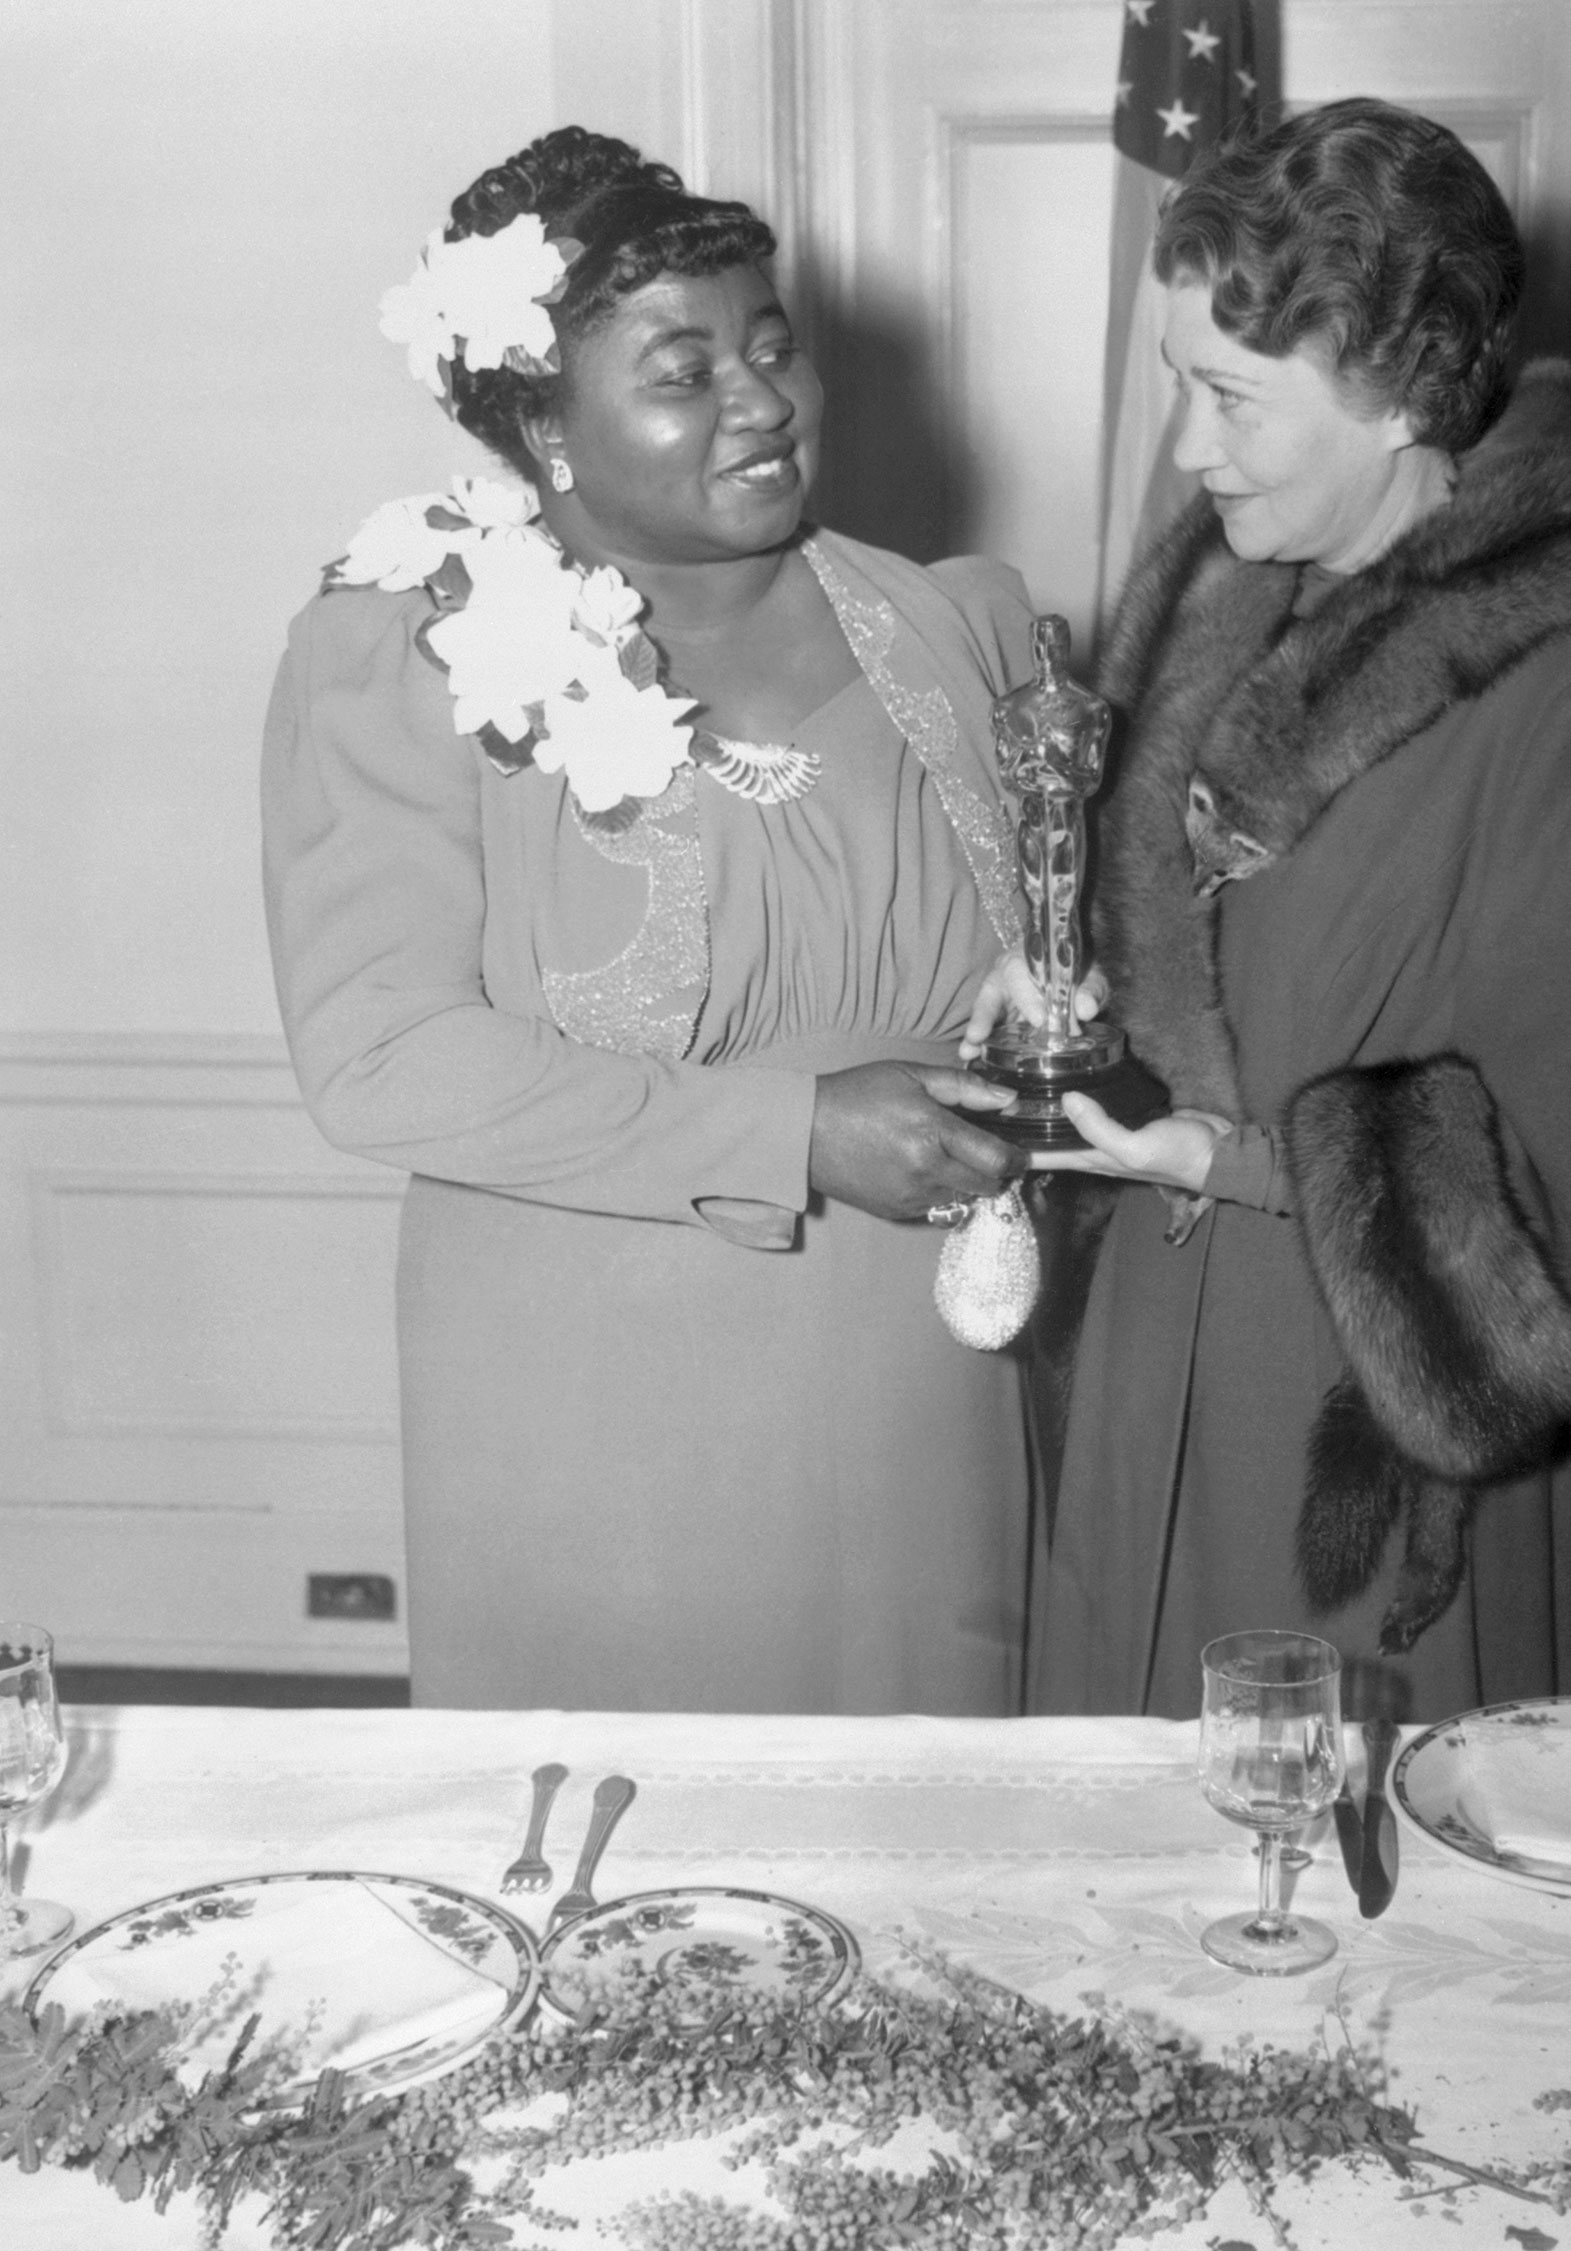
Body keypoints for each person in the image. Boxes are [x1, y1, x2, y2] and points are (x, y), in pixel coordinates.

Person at [262, 128, 1038, 1710]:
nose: (761, 400)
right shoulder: (399, 657)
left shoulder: (959, 623)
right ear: (544, 422)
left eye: (771, 347)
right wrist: (794, 1134)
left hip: (916, 1367)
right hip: (589, 1396)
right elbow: (381, 1061)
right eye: (682, 371)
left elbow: (1063, 950)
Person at [1009, 98, 1571, 1721]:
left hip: (1364, 1421)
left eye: (1227, 397)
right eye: (1171, 385)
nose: (1186, 451)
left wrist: (1239, 1162)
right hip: (1146, 1360)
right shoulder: (1225, 590)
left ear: (1407, 390)